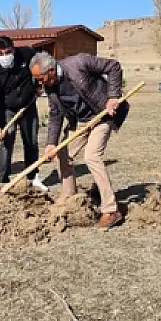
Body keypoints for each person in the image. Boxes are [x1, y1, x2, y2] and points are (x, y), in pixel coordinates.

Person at [30, 51, 128, 228]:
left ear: (51, 70)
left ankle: (111, 210)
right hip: (81, 122)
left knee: (92, 157)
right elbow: (55, 115)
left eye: (40, 77)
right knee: (61, 155)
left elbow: (113, 66)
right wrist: (51, 143)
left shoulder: (79, 64)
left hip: (103, 115)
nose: (40, 82)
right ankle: (70, 198)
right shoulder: (51, 88)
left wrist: (113, 96)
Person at [0, 36, 47, 191]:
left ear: (14, 49)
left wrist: (40, 85)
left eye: (8, 52)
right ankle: (2, 178)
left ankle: (33, 177)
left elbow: (43, 64)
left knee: (31, 142)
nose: (5, 56)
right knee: (5, 142)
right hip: (8, 109)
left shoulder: (27, 54)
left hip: (28, 105)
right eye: (1, 53)